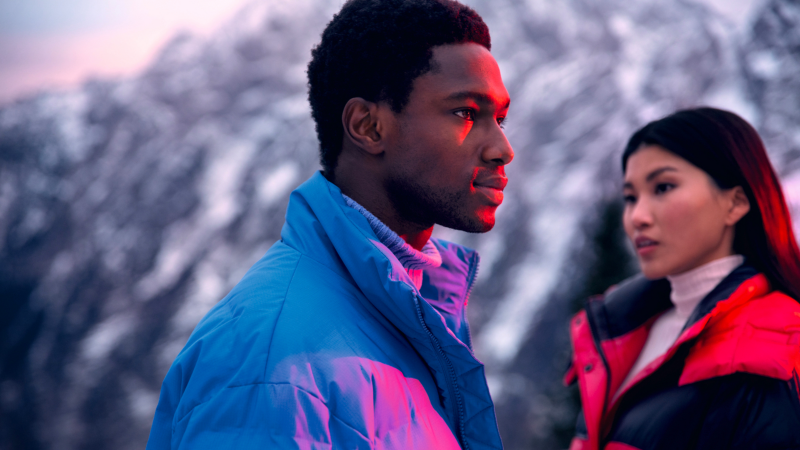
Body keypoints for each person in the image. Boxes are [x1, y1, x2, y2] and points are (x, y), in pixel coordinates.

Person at [146, 0, 513, 448]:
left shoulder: (407, 311)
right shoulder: (272, 368)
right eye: (466, 113)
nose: (502, 147)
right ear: (368, 126)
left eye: (500, 118)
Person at [566, 107, 800, 450]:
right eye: (630, 197)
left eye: (663, 187)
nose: (637, 217)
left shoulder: (776, 342)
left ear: (735, 203)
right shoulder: (622, 327)